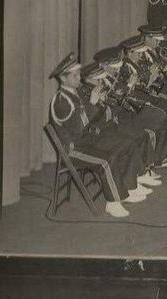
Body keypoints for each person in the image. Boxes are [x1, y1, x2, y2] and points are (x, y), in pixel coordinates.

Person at [48, 53, 152, 218]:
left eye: (78, 74)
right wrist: (93, 103)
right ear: (63, 79)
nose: (79, 78)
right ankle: (113, 203)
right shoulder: (61, 101)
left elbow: (92, 119)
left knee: (126, 144)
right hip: (74, 149)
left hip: (87, 139)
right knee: (107, 160)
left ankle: (130, 187)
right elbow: (78, 128)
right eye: (74, 75)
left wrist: (100, 102)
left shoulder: (76, 93)